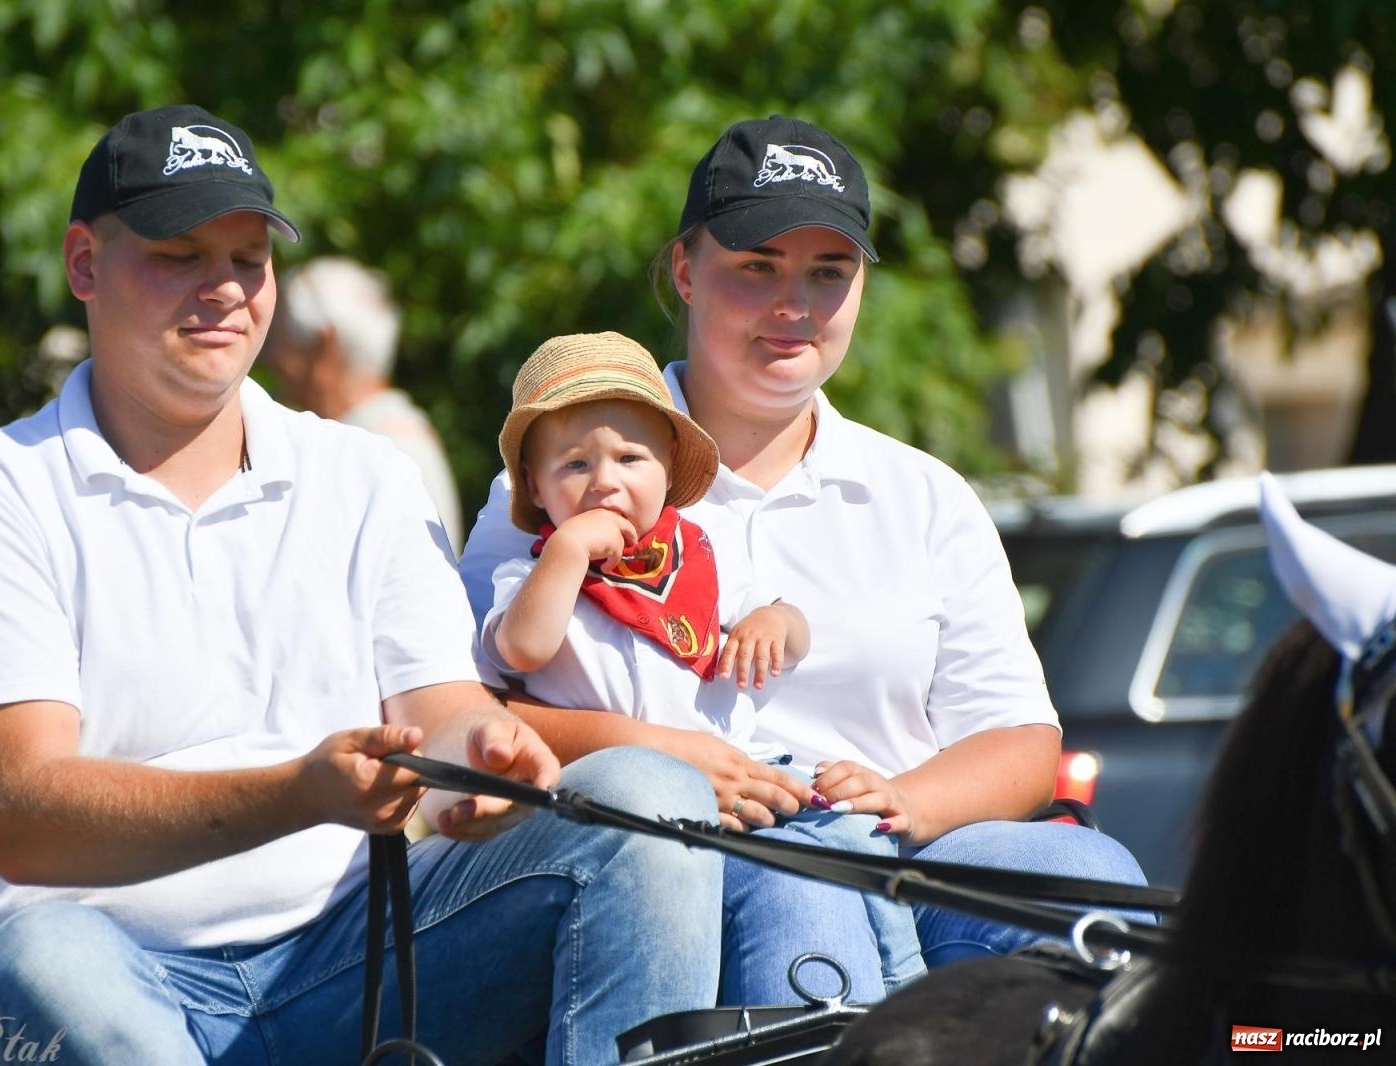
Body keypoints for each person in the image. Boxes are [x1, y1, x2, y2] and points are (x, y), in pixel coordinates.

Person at [0, 104, 722, 1066]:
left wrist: (486, 757)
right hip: (80, 973)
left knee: (649, 799)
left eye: (248, 259)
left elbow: (442, 710)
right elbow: (25, 820)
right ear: (85, 263)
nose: (225, 288)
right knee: (48, 958)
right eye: (179, 254)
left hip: (348, 969)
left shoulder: (361, 472)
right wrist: (300, 793)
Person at [459, 115, 1148, 1001]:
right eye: (758, 267)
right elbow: (474, 709)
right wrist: (655, 755)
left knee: (1096, 887)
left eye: (830, 273)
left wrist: (906, 803)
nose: (796, 305)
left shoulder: (923, 495)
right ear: (684, 271)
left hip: (907, 850)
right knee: (805, 906)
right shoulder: (569, 472)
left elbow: (1019, 739)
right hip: (684, 857)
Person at [481, 330, 924, 1002]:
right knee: (792, 868)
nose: (605, 481)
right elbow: (522, 650)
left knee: (853, 830)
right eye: (573, 465)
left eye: (630, 458)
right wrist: (567, 554)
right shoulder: (530, 577)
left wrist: (774, 625)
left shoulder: (700, 557)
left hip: (742, 773)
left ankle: (902, 985)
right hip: (619, 804)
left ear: (667, 472)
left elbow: (786, 620)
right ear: (536, 491)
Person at [265, 257, 464, 554]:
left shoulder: (383, 451)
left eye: (278, 340)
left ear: (325, 345)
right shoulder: (389, 436)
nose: (270, 358)